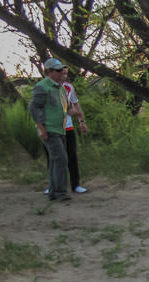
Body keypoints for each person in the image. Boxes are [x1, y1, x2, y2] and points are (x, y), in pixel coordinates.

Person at [29, 57, 70, 202]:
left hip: (60, 129)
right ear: (49, 72)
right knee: (60, 159)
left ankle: (53, 191)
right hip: (48, 129)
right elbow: (33, 108)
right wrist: (41, 128)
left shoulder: (60, 88)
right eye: (58, 70)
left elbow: (65, 108)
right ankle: (60, 192)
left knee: (55, 160)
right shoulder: (42, 86)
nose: (61, 73)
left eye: (62, 70)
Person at [44, 67, 88, 195]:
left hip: (67, 127)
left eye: (66, 74)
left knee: (71, 156)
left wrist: (81, 121)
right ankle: (53, 185)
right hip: (52, 127)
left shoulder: (69, 87)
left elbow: (76, 106)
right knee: (53, 158)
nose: (64, 76)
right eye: (62, 73)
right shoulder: (45, 87)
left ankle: (76, 185)